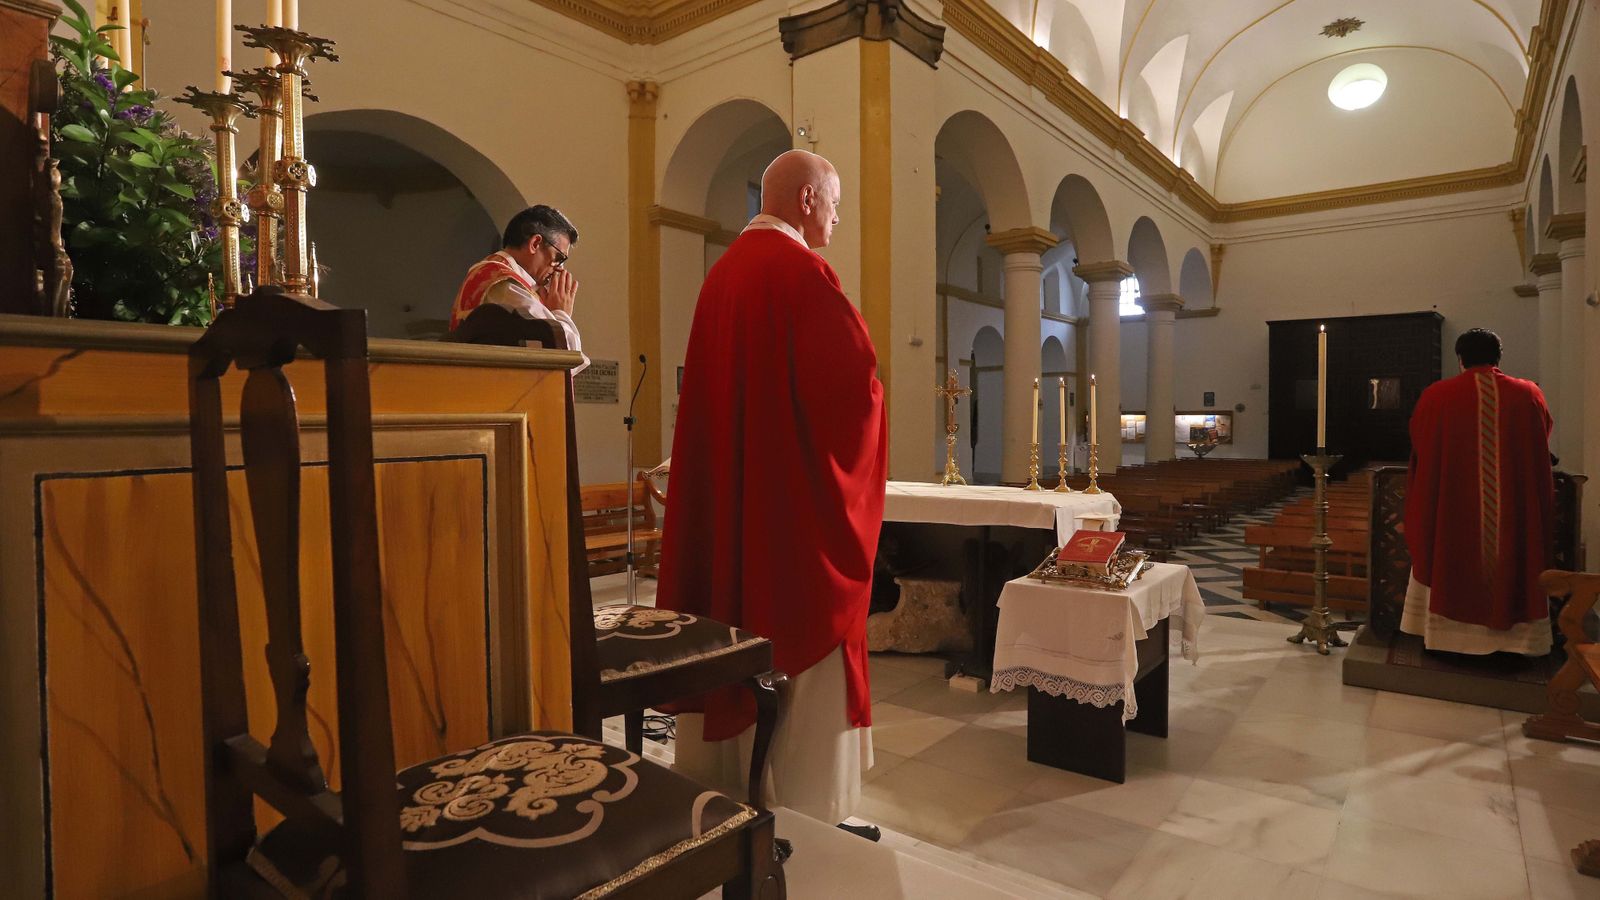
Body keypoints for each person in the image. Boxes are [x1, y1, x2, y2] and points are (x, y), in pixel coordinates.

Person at [656, 149, 886, 835]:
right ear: (809, 199)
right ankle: (806, 809)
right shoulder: (804, 273)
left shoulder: (721, 276)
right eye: (836, 205)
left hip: (734, 501)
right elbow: (854, 397)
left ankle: (721, 788)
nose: (838, 221)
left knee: (729, 613)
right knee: (791, 626)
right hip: (788, 521)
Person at [1402, 328, 1555, 655]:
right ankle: (1518, 645)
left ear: (1460, 359)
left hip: (1452, 513)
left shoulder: (1437, 396)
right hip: (1512, 512)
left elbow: (1420, 445)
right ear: (1499, 357)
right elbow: (1541, 439)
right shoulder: (1528, 394)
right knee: (1515, 555)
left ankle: (1448, 642)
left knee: (1449, 556)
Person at [449, 205, 588, 372]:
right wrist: (560, 313)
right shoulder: (504, 284)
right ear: (535, 243)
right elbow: (567, 359)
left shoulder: (485, 274)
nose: (559, 268)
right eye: (559, 257)